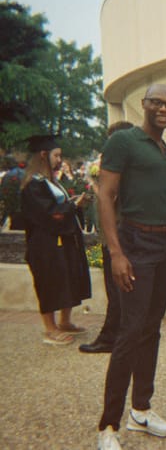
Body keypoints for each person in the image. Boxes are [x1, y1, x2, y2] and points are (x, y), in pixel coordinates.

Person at [95, 84, 166, 450]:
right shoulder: (125, 141)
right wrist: (115, 252)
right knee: (130, 332)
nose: (162, 108)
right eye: (156, 102)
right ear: (143, 105)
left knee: (150, 330)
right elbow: (105, 195)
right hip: (136, 243)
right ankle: (108, 426)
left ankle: (141, 411)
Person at [20, 134, 91, 345]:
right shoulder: (33, 185)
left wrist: (75, 203)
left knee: (67, 279)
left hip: (62, 240)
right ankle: (50, 329)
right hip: (45, 244)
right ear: (43, 155)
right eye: (56, 155)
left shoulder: (51, 182)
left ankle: (65, 322)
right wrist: (74, 205)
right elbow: (51, 214)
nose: (60, 159)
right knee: (50, 283)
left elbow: (60, 208)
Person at [80, 121, 134, 354]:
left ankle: (110, 337)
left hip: (117, 237)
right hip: (120, 236)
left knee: (117, 292)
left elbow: (111, 200)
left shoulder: (121, 170)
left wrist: (99, 189)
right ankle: (119, 336)